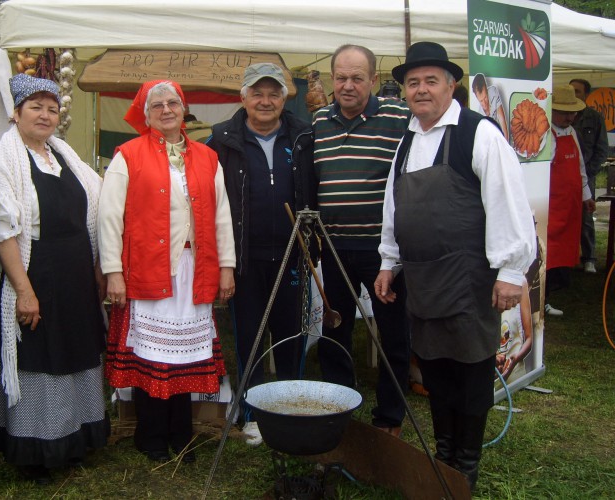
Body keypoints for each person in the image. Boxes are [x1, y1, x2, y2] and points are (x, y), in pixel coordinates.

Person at [375, 41, 535, 490]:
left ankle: (465, 464)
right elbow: (394, 208)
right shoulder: (407, 140)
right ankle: (444, 455)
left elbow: (508, 203)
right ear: (404, 91)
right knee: (436, 371)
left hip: (469, 281)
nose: (421, 90)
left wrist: (510, 272)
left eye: (431, 81)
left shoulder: (477, 133)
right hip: (424, 280)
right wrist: (389, 262)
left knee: (469, 372)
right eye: (413, 83)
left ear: (451, 85)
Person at [0, 74, 108, 483]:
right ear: (15, 114)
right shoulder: (2, 161)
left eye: (52, 109)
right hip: (34, 272)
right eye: (35, 107)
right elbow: (4, 231)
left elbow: (96, 207)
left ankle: (73, 437)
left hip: (74, 272)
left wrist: (98, 269)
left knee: (75, 351)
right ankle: (36, 447)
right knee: (41, 356)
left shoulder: (64, 154)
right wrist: (24, 291)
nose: (45, 115)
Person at [98, 80, 236, 463]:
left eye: (172, 102)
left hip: (195, 268)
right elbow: (108, 218)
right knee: (153, 356)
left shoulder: (207, 158)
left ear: (184, 109)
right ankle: (151, 435)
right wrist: (113, 271)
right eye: (156, 104)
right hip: (148, 268)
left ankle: (181, 432)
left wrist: (227, 266)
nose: (166, 109)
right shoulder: (128, 155)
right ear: (146, 114)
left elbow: (222, 215)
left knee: (186, 356)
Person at [207, 62, 316, 446]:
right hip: (245, 259)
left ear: (285, 98)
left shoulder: (305, 136)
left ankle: (288, 406)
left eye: (274, 93)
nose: (265, 101)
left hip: (294, 256)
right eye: (258, 93)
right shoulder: (221, 140)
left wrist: (314, 246)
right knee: (250, 335)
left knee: (291, 335)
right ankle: (253, 412)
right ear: (243, 97)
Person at [312, 44, 411, 437]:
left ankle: (389, 417)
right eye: (340, 77)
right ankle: (339, 405)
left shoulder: (399, 117)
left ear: (373, 79)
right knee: (334, 328)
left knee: (391, 331)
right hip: (333, 247)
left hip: (382, 252)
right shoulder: (318, 121)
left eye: (357, 78)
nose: (347, 86)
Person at [544, 84, 596, 317]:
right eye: (565, 112)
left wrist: (587, 196)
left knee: (565, 246)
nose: (570, 117)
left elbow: (581, 167)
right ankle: (543, 296)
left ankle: (558, 282)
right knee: (547, 250)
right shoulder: (545, 134)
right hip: (551, 204)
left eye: (572, 112)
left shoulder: (572, 132)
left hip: (570, 204)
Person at [570, 78, 609, 274]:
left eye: (577, 91)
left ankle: (589, 258)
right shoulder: (562, 116)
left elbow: (602, 150)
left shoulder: (594, 118)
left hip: (587, 176)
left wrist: (587, 173)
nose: (574, 94)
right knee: (565, 216)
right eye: (571, 91)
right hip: (564, 177)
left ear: (586, 95)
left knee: (586, 217)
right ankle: (568, 257)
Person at [471, 73, 509, 142]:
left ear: (486, 88)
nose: (484, 103)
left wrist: (506, 146)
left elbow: (502, 121)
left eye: (485, 98)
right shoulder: (478, 116)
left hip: (500, 138)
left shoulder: (493, 91)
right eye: (481, 101)